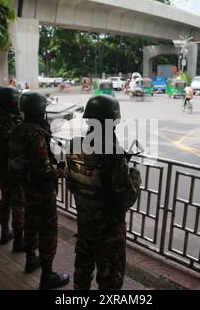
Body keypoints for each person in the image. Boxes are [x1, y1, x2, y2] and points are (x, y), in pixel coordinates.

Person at [65, 94, 141, 290]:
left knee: (82, 272)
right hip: (109, 232)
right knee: (110, 281)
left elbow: (72, 184)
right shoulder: (114, 154)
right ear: (113, 122)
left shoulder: (74, 144)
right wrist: (133, 174)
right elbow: (126, 199)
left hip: (84, 224)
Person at [8, 92, 69, 289]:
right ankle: (47, 275)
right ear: (41, 110)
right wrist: (61, 171)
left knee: (30, 223)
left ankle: (30, 259)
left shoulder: (17, 130)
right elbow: (43, 168)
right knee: (47, 230)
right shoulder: (37, 135)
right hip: (41, 191)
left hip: (25, 187)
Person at [0, 86, 25, 250]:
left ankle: (4, 232)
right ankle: (18, 240)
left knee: (5, 199)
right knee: (18, 203)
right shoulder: (15, 121)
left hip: (0, 165)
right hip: (15, 168)